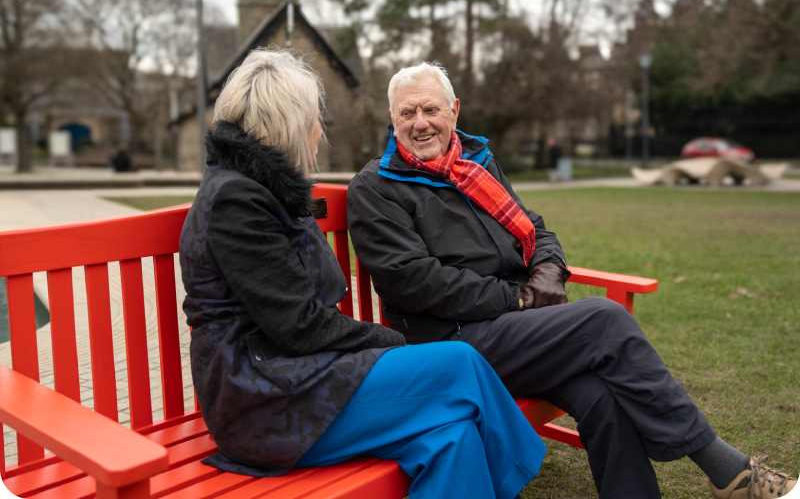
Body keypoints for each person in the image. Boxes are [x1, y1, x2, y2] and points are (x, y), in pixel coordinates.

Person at [346, 61, 797, 499]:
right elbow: (414, 282)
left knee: (602, 394)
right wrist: (521, 299)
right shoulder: (377, 187)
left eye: (431, 109)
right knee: (604, 318)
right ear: (393, 119)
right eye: (408, 113)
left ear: (454, 111)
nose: (420, 123)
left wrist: (546, 271)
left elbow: (535, 228)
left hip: (509, 330)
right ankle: (726, 469)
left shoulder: (475, 165)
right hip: (448, 344)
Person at [177, 49, 546, 499]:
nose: (319, 131)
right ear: (290, 124)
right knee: (459, 362)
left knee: (452, 436)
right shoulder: (238, 202)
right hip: (263, 398)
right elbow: (299, 327)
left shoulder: (261, 188)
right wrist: (397, 343)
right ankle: (519, 469)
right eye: (315, 118)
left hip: (300, 374)